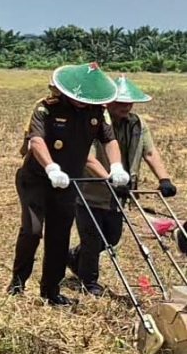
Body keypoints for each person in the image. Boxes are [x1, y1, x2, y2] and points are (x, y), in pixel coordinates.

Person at [8, 62, 128, 306]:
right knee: (32, 230)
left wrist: (116, 167)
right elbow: (37, 141)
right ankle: (18, 284)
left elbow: (109, 140)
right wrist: (51, 167)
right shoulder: (46, 108)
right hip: (37, 180)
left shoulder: (97, 112)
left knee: (60, 236)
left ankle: (50, 291)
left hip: (68, 183)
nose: (82, 101)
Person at [69, 75, 177, 296]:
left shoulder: (137, 124)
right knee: (92, 237)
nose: (127, 107)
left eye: (130, 102)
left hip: (119, 194)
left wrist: (164, 179)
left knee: (112, 237)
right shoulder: (93, 122)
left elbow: (149, 151)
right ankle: (89, 282)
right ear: (108, 101)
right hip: (90, 191)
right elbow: (88, 158)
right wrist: (110, 179)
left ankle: (73, 257)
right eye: (121, 102)